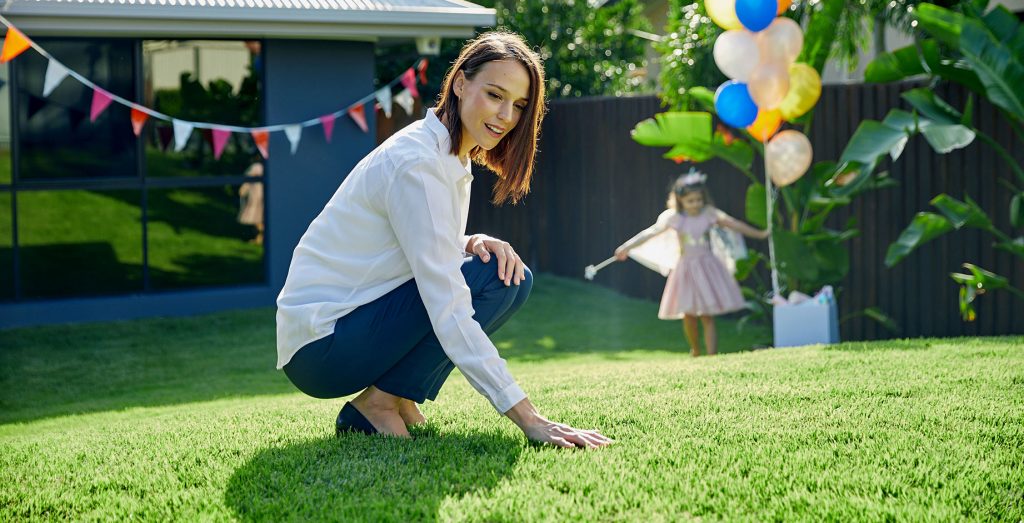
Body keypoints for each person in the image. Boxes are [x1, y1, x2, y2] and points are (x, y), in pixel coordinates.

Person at [276, 31, 611, 449]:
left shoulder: (448, 154)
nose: (507, 115)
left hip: (343, 331)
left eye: (519, 105)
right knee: (487, 279)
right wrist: (529, 418)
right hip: (321, 345)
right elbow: (447, 304)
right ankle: (379, 405)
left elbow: (411, 243)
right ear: (459, 83)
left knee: (509, 275)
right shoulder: (418, 162)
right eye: (495, 94)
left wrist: (468, 242)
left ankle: (392, 396)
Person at [615, 169, 768, 357]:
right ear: (680, 201)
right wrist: (627, 247)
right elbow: (650, 233)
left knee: (707, 313)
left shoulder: (709, 214)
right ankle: (695, 349)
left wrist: (760, 234)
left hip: (707, 268)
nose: (695, 204)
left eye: (699, 200)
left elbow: (734, 224)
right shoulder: (674, 218)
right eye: (690, 201)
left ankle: (711, 354)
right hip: (685, 269)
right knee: (688, 314)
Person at [238, 161, 264, 245]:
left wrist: (243, 189)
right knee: (259, 219)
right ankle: (259, 238)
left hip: (256, 196)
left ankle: (259, 238)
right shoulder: (262, 166)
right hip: (258, 195)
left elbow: (249, 180)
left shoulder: (256, 167)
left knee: (258, 220)